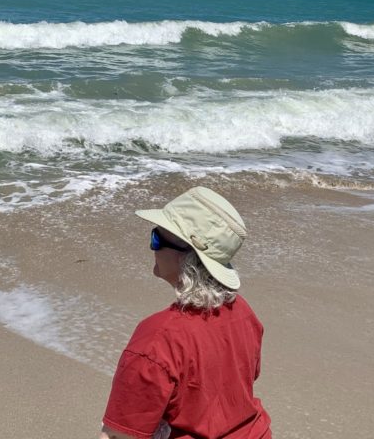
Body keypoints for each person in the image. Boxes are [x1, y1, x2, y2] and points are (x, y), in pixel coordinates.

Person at [99, 186, 272, 439]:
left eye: (156, 239)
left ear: (185, 257)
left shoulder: (158, 338)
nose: (152, 247)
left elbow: (121, 434)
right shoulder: (243, 312)